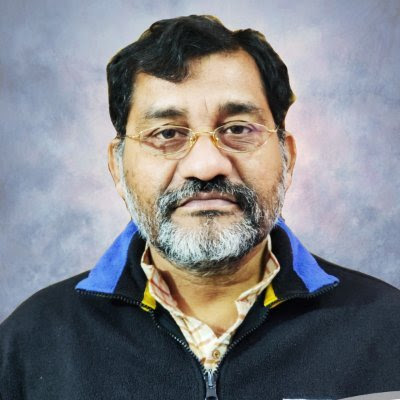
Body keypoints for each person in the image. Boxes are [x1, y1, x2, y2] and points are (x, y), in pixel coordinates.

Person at [1, 15, 399, 400]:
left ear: (288, 157)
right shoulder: (30, 343)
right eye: (167, 134)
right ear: (117, 167)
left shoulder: (387, 328)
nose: (206, 166)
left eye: (238, 129)